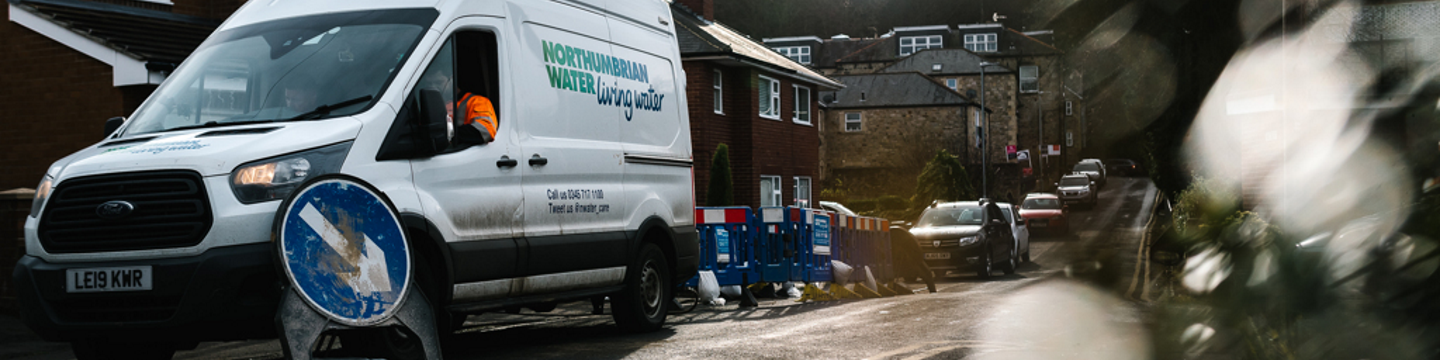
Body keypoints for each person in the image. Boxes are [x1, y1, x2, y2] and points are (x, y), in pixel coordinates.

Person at [422, 72, 497, 143]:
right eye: (429, 83)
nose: (434, 87)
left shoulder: (477, 101)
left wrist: (444, 135)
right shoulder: (432, 105)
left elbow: (485, 131)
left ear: (452, 79)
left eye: (439, 82)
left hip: (466, 154)